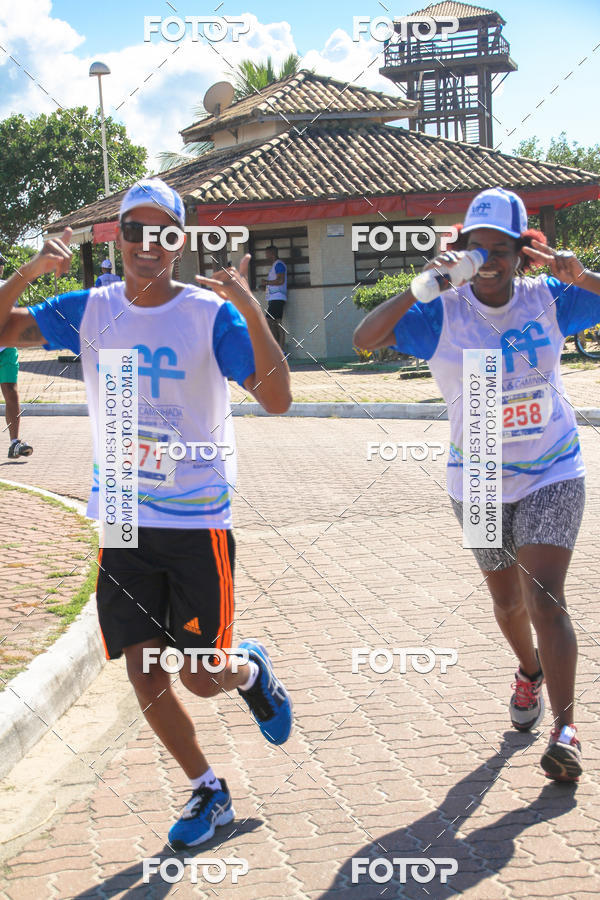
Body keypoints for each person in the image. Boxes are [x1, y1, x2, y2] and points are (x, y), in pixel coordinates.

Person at [0, 178, 293, 847]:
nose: (147, 244)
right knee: (145, 668)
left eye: (163, 232)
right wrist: (32, 269)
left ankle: (247, 669)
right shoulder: (92, 307)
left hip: (196, 520)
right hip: (125, 514)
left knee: (200, 674)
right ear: (119, 239)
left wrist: (249, 308)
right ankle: (207, 791)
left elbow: (276, 399)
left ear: (179, 242)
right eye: (135, 230)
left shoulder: (207, 314)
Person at [354, 186, 600, 782]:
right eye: (475, 247)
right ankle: (529, 672)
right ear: (459, 250)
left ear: (522, 253)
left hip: (552, 466)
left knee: (543, 595)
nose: (487, 260)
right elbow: (365, 339)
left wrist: (584, 275)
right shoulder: (442, 312)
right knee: (508, 601)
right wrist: (426, 285)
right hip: (480, 477)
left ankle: (566, 729)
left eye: (500, 248)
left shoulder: (552, 299)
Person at [0, 253, 33, 459]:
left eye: (1, 264)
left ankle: (15, 443)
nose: (1, 267)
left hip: (6, 347)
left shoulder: (7, 286)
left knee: (11, 392)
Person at [261, 245, 287, 350]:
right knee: (276, 324)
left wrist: (266, 282)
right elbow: (275, 281)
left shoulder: (279, 264)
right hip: (274, 298)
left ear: (272, 253)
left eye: (266, 253)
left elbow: (281, 280)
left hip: (278, 298)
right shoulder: (274, 266)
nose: (265, 255)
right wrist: (265, 285)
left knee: (270, 322)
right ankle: (279, 349)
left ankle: (280, 350)